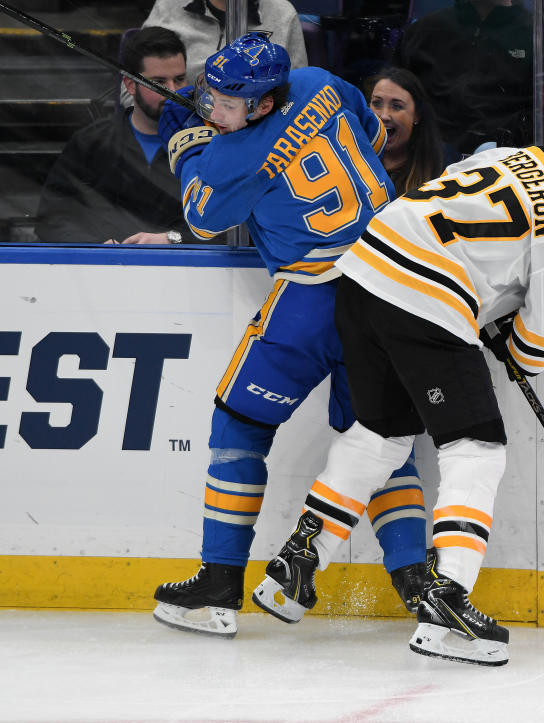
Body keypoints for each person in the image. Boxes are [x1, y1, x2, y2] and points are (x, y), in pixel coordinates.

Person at [257, 133, 544, 666]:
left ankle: (298, 561)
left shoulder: (523, 156)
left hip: (363, 273)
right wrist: (502, 318)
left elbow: (458, 175)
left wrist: (488, 294)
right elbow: (534, 353)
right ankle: (448, 599)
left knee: (381, 432)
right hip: (426, 299)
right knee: (478, 447)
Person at [151, 32, 429, 638]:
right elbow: (374, 140)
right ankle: (420, 588)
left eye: (228, 103)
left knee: (239, 427)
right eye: (210, 96)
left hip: (313, 298)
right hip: (394, 290)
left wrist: (188, 149)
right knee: (378, 441)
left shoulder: (232, 157)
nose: (213, 109)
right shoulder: (322, 85)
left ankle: (219, 584)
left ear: (264, 103)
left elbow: (202, 219)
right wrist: (225, 128)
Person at [34, 27, 193, 245]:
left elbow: (230, 227)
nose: (173, 92)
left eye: (180, 79)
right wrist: (95, 248)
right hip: (99, 274)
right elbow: (52, 220)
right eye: (159, 82)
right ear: (130, 84)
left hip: (186, 275)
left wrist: (172, 239)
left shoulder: (206, 147)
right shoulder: (90, 144)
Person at [398, 0, 544, 159]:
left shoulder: (540, 36)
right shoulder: (427, 31)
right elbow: (394, 91)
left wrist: (512, 138)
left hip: (506, 161)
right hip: (429, 157)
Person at [142, 0, 307, 84]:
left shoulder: (282, 13)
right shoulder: (168, 6)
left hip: (258, 131)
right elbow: (134, 83)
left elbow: (299, 92)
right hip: (179, 125)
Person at [365, 67, 444, 196]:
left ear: (417, 115)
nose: (384, 115)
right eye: (377, 103)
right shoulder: (350, 157)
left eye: (396, 106)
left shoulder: (443, 165)